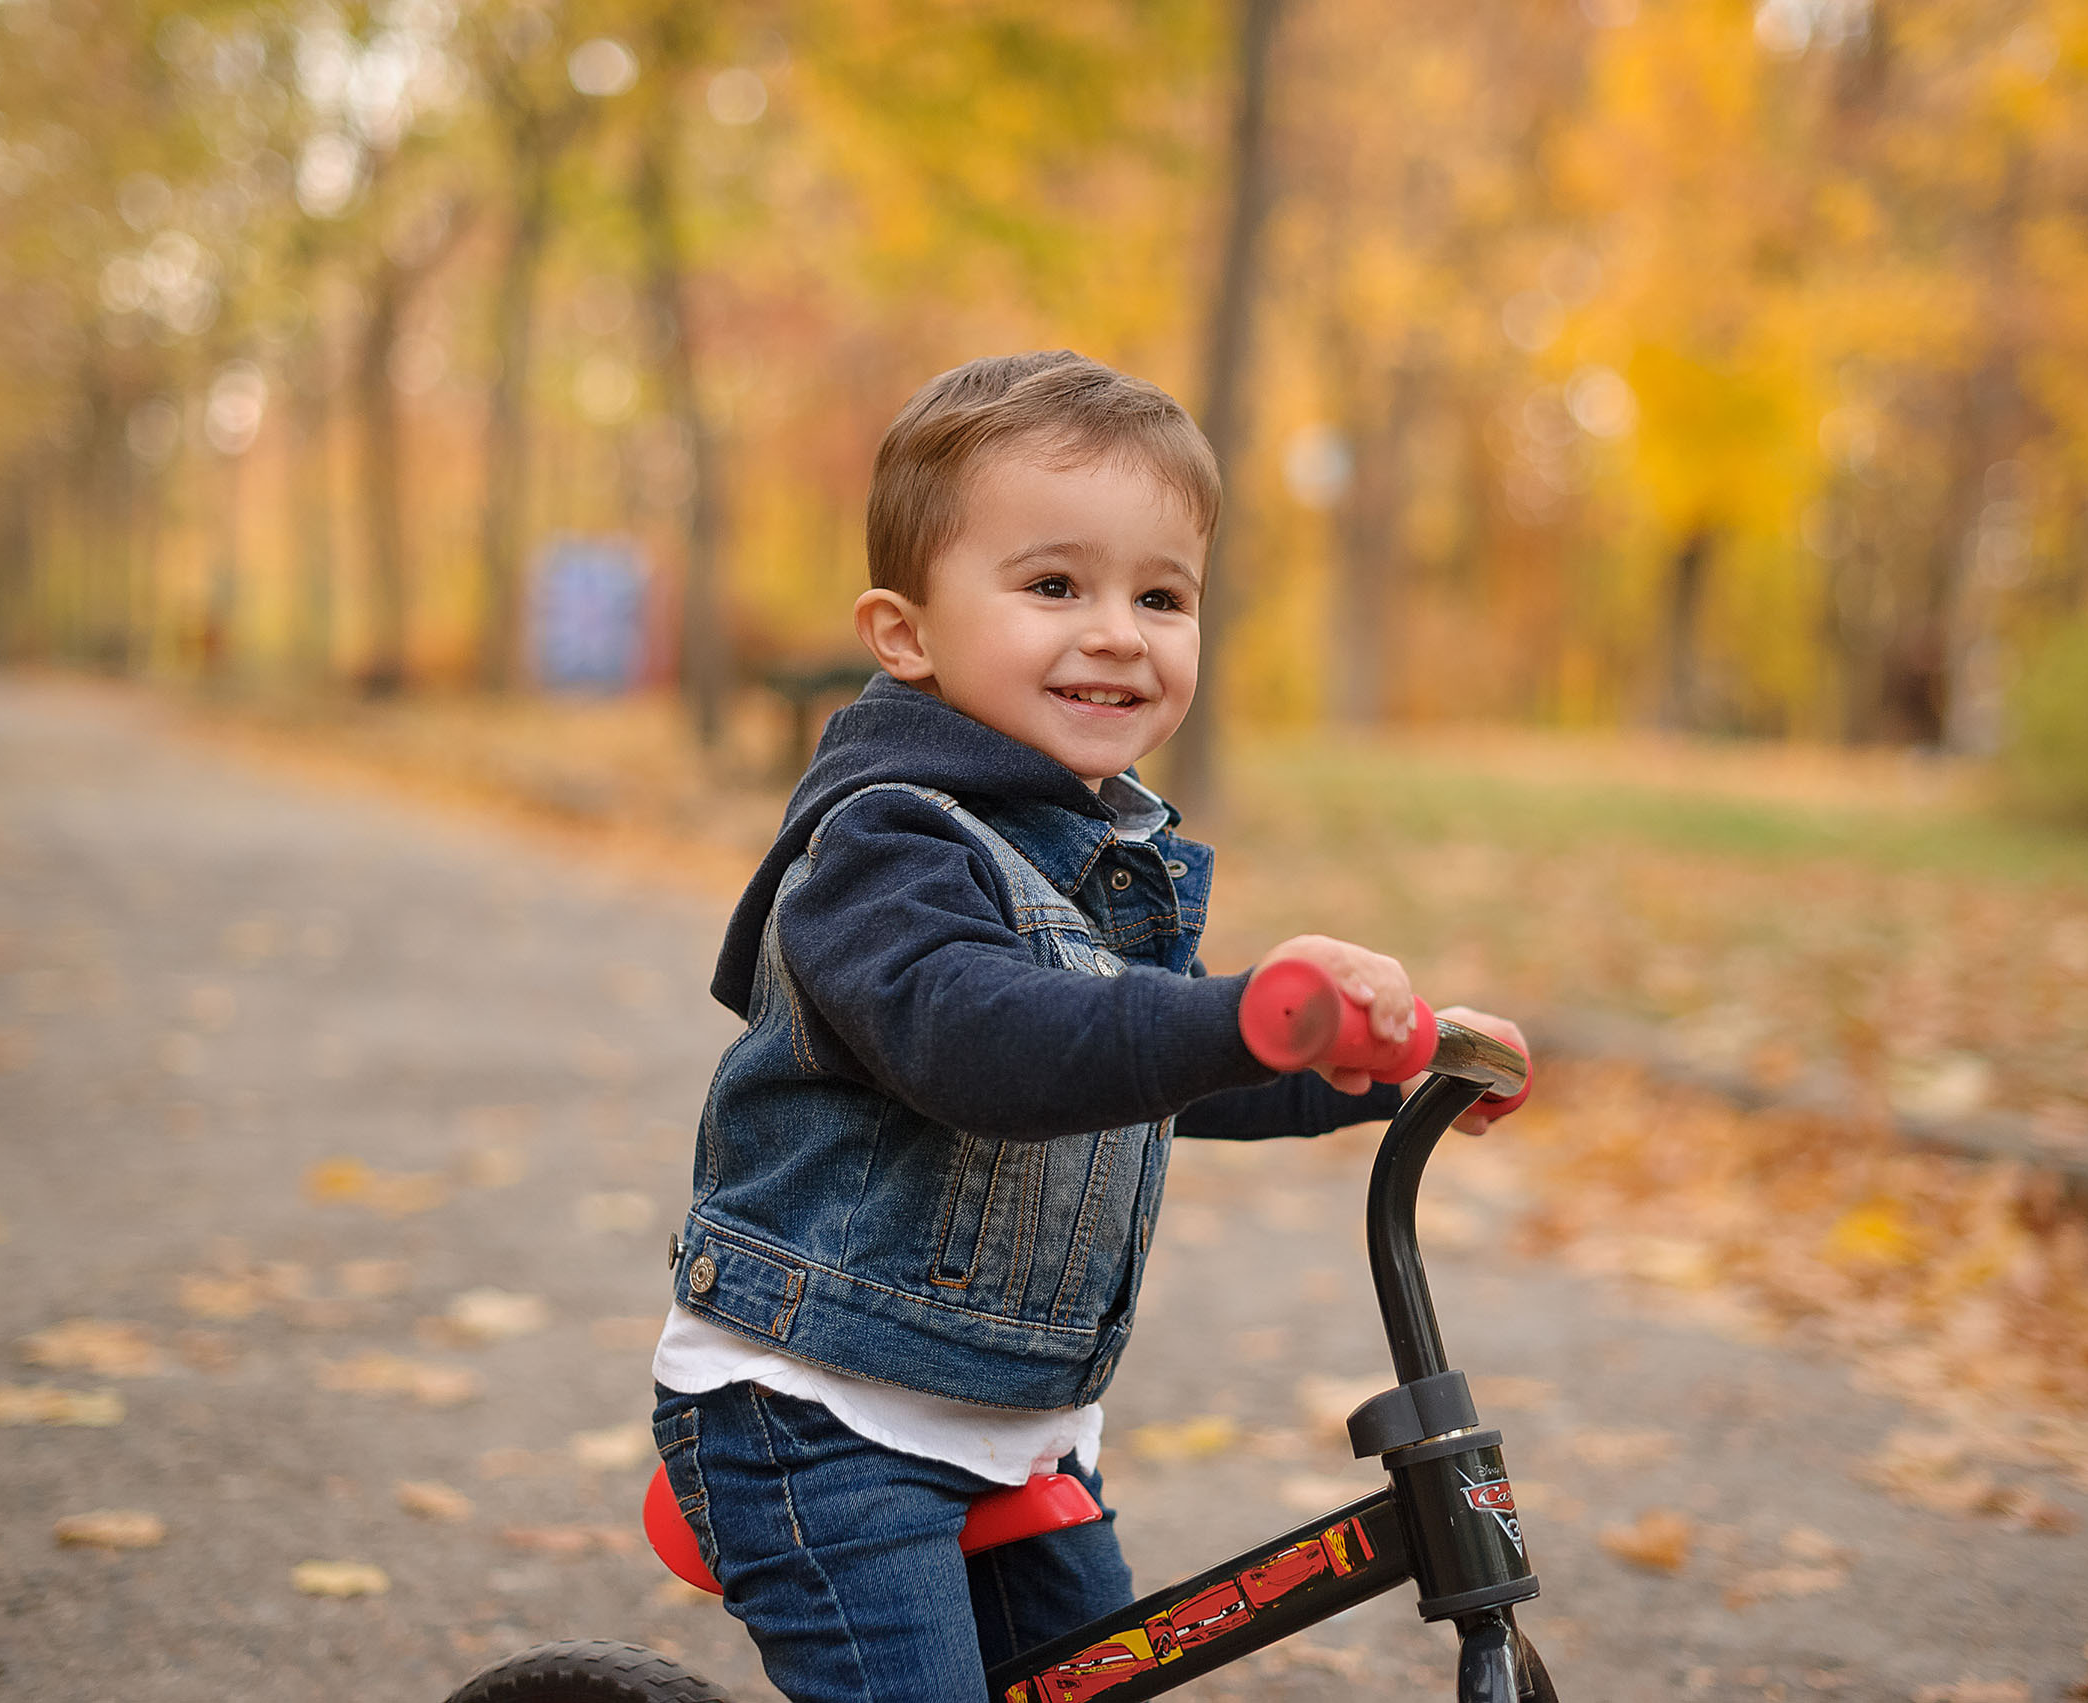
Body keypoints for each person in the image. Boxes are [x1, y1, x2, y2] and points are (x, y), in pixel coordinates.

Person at [651, 350, 1519, 1703]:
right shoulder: (884, 846)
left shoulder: (1089, 852)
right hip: (820, 1418)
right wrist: (1246, 1012)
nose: (1119, 630)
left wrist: (1362, 1065)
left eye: (1160, 595)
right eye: (1056, 585)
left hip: (1014, 1425)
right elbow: (996, 1048)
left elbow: (1147, 1063)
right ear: (907, 634)